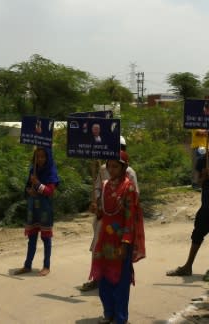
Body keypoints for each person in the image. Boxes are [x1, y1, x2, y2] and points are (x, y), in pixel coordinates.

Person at [167, 129, 209, 279]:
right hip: (206, 204)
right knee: (197, 233)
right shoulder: (202, 160)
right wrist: (204, 177)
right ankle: (188, 266)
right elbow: (198, 183)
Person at [89, 150, 145, 324]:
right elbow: (103, 213)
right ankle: (108, 313)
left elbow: (130, 217)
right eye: (109, 166)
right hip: (105, 237)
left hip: (121, 240)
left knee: (121, 281)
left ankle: (121, 318)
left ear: (124, 168)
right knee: (104, 279)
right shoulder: (105, 185)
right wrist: (96, 209)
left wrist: (125, 243)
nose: (111, 169)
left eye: (115, 166)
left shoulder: (129, 188)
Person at [79, 136, 138, 292]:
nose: (112, 170)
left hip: (120, 219)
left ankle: (119, 278)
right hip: (103, 216)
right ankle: (97, 278)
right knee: (99, 246)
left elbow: (134, 196)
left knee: (120, 251)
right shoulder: (103, 169)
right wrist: (97, 203)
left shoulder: (130, 173)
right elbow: (98, 188)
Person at [14, 147, 60, 276]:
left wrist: (38, 184)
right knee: (32, 238)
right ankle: (27, 265)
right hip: (33, 208)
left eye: (43, 157)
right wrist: (30, 190)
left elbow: (50, 191)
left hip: (45, 209)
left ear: (47, 157)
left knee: (46, 238)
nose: (40, 159)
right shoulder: (32, 170)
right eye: (38, 156)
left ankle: (46, 266)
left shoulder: (51, 172)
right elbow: (27, 187)